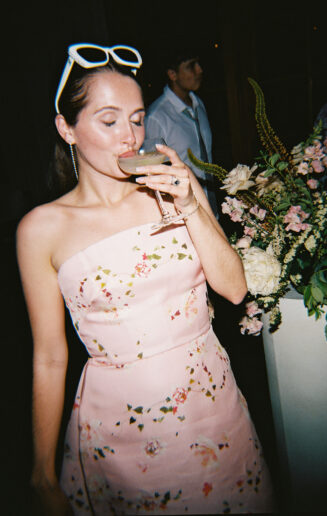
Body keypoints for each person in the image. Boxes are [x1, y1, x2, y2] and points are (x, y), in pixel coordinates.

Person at [16, 43, 275, 515]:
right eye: (109, 120)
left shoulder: (174, 185)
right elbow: (50, 356)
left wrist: (190, 202)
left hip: (213, 408)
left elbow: (234, 288)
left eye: (136, 119)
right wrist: (41, 473)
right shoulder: (40, 229)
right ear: (66, 128)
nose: (129, 137)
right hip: (121, 436)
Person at [144, 51, 219, 217]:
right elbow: (154, 174)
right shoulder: (156, 117)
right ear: (172, 74)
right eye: (191, 66)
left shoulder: (198, 103)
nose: (199, 70)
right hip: (184, 214)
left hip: (211, 207)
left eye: (198, 64)